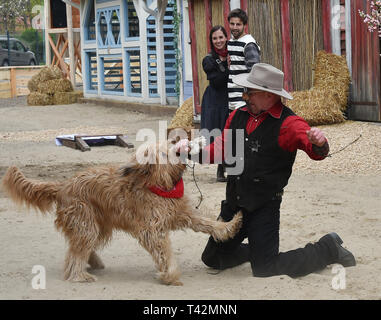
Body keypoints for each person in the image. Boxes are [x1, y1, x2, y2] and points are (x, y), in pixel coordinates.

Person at [177, 63, 356, 278]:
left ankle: (329, 247)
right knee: (212, 258)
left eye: (250, 92)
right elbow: (221, 149)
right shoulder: (236, 116)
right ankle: (257, 252)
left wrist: (319, 142)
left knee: (265, 269)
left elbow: (316, 151)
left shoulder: (290, 123)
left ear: (269, 95)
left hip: (264, 207)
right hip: (234, 203)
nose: (245, 96)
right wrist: (191, 152)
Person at [200, 26, 230, 182]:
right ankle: (220, 168)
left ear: (226, 38)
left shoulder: (234, 54)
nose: (218, 41)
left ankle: (230, 166)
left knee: (231, 130)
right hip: (215, 100)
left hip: (231, 97)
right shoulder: (209, 59)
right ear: (211, 41)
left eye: (221, 37)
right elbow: (217, 81)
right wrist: (230, 69)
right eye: (215, 38)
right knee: (218, 130)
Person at [227, 8, 261, 112]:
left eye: (238, 24)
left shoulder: (249, 44)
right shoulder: (231, 41)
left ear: (245, 25)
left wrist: (249, 96)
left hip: (243, 97)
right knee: (233, 128)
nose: (235, 27)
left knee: (242, 127)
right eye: (232, 24)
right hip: (231, 96)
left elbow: (254, 72)